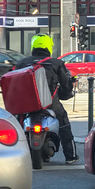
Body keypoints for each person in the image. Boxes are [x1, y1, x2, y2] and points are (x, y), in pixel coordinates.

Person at [15, 34, 79, 164]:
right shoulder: (57, 63)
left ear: (33, 46)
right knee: (64, 123)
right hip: (50, 103)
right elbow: (66, 86)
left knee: (17, 124)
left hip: (27, 104)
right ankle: (71, 156)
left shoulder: (22, 63)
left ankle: (14, 154)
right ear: (48, 46)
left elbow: (15, 85)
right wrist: (65, 95)